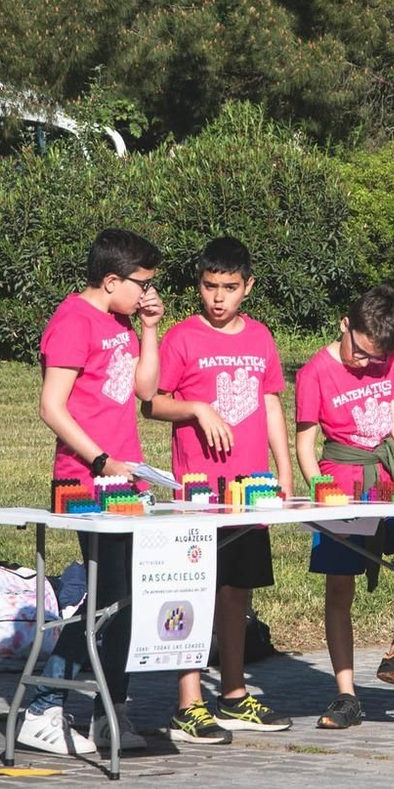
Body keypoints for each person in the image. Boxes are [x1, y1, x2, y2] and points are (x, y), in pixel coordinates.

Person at [22, 228, 164, 756]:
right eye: (142, 284)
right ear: (112, 280)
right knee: (106, 600)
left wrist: (150, 328)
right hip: (85, 481)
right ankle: (40, 705)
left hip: (126, 481)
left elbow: (145, 390)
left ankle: (112, 712)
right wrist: (101, 459)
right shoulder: (71, 323)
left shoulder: (123, 322)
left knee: (127, 600)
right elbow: (50, 406)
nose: (149, 292)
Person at [149, 236, 292, 741]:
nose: (218, 298)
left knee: (237, 593)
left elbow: (271, 404)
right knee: (195, 593)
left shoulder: (261, 339)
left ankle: (233, 694)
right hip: (199, 493)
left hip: (249, 489)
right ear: (199, 286)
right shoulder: (181, 338)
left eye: (229, 288)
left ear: (247, 287)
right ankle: (188, 703)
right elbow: (153, 402)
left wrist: (284, 471)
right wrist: (197, 408)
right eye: (210, 287)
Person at [294, 286, 394, 730]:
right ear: (345, 324)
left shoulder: (384, 357)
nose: (364, 362)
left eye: (374, 356)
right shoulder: (314, 373)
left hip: (388, 481)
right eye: (359, 352)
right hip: (343, 481)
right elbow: (305, 443)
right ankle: (346, 696)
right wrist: (319, 486)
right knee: (340, 589)